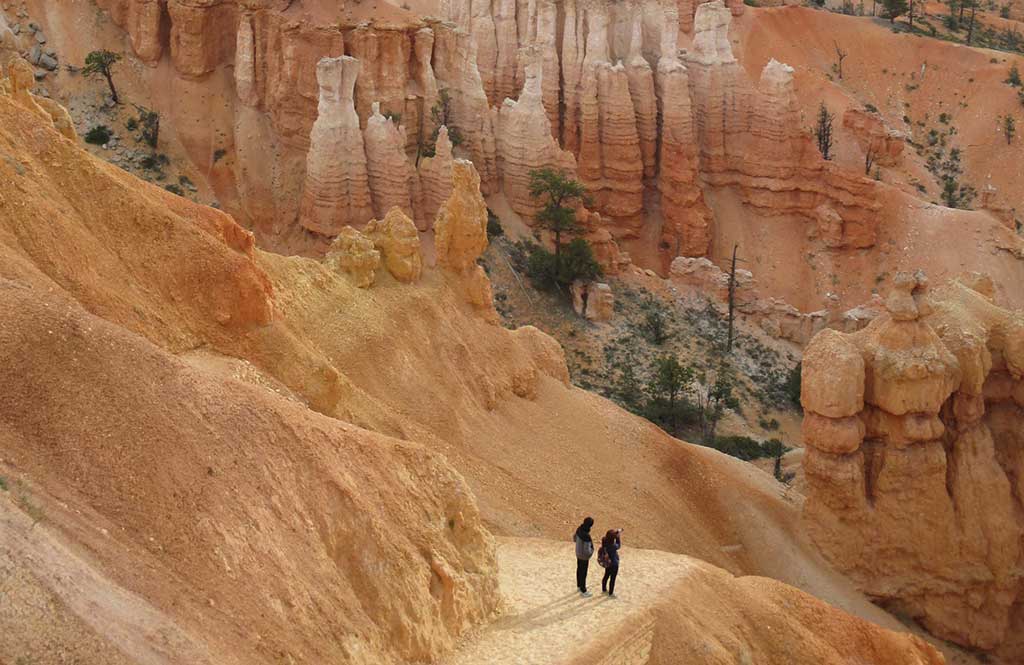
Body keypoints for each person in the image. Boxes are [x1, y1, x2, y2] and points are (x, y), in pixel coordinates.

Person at [573, 517, 595, 596]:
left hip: (578, 553)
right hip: (584, 557)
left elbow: (574, 538)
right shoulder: (586, 536)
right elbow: (587, 550)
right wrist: (592, 551)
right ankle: (583, 590)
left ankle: (579, 586)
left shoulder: (579, 529)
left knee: (579, 570)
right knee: (583, 573)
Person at [601, 528, 622, 597]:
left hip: (608, 563)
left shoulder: (604, 541)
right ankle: (611, 593)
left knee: (606, 575)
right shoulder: (613, 546)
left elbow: (608, 537)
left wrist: (615, 534)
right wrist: (618, 537)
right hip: (614, 564)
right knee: (612, 579)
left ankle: (604, 589)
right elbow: (618, 545)